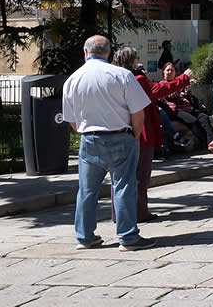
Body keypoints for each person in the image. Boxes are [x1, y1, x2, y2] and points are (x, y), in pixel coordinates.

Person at [62, 35, 154, 251]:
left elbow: (72, 120)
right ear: (108, 53)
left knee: (86, 190)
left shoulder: (73, 79)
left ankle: (84, 237)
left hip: (90, 139)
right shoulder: (122, 75)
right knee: (123, 187)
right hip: (121, 135)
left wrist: (86, 133)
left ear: (85, 52)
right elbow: (138, 111)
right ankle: (128, 237)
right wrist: (135, 135)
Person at [111, 47, 192, 222]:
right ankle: (139, 213)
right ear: (131, 61)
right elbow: (157, 90)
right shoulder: (137, 78)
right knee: (140, 175)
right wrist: (183, 78)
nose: (138, 61)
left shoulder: (113, 78)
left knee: (120, 176)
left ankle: (118, 214)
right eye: (136, 58)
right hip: (140, 131)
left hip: (117, 130)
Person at [160, 63, 213, 152]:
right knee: (193, 121)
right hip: (175, 111)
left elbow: (186, 97)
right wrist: (182, 84)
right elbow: (171, 94)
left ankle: (211, 141)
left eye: (172, 70)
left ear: (175, 72)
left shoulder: (178, 82)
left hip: (187, 108)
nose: (169, 72)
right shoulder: (163, 84)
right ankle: (208, 144)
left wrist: (187, 91)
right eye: (167, 70)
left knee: (203, 117)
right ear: (163, 72)